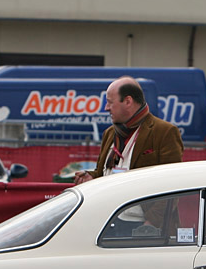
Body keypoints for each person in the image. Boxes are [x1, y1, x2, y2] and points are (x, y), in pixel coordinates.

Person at [74, 77, 184, 237]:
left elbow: (174, 184)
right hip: (109, 222)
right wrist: (92, 177)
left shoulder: (164, 132)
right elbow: (104, 173)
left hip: (144, 227)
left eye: (110, 102)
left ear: (128, 101)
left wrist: (150, 224)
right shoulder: (110, 134)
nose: (106, 108)